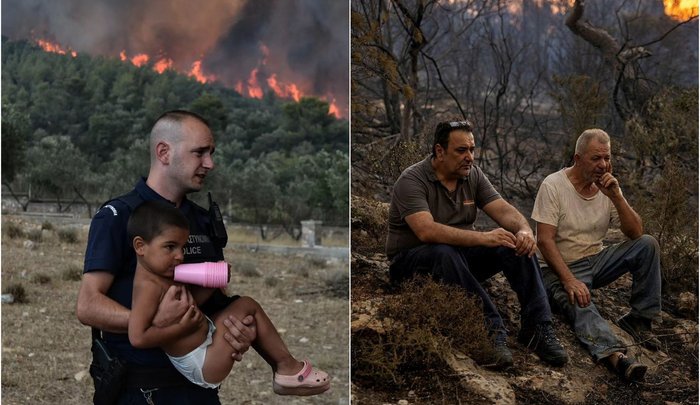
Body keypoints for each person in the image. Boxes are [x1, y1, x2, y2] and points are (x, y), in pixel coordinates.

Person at [77, 110, 259, 404]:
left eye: (211, 153)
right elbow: (88, 305)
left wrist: (236, 333)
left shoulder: (201, 220)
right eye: (200, 152)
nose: (210, 163)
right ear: (164, 152)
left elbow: (214, 302)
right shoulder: (119, 216)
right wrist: (149, 321)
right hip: (141, 392)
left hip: (200, 392)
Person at [386, 119, 568, 369]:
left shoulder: (471, 175)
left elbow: (504, 211)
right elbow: (426, 231)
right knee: (443, 251)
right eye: (461, 150)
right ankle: (490, 331)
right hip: (411, 265)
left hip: (457, 262)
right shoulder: (412, 180)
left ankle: (538, 327)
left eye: (472, 149)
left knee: (512, 243)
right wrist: (483, 237)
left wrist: (524, 230)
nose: (469, 157)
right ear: (440, 151)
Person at [127, 200, 330, 394]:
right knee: (247, 305)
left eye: (182, 247)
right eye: (170, 247)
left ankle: (284, 370)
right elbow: (138, 337)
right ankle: (287, 367)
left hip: (205, 340)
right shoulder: (147, 286)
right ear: (140, 246)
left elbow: (189, 305)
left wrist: (213, 283)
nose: (180, 255)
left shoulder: (163, 273)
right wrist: (182, 328)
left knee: (246, 308)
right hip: (202, 361)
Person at [531, 128, 662, 382]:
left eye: (607, 158)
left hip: (595, 260)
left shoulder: (607, 187)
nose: (603, 165)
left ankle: (640, 320)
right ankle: (616, 357)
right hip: (557, 268)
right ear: (577, 159)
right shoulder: (554, 185)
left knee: (647, 245)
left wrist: (617, 196)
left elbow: (636, 232)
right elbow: (544, 240)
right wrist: (569, 279)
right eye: (596, 159)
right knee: (580, 302)